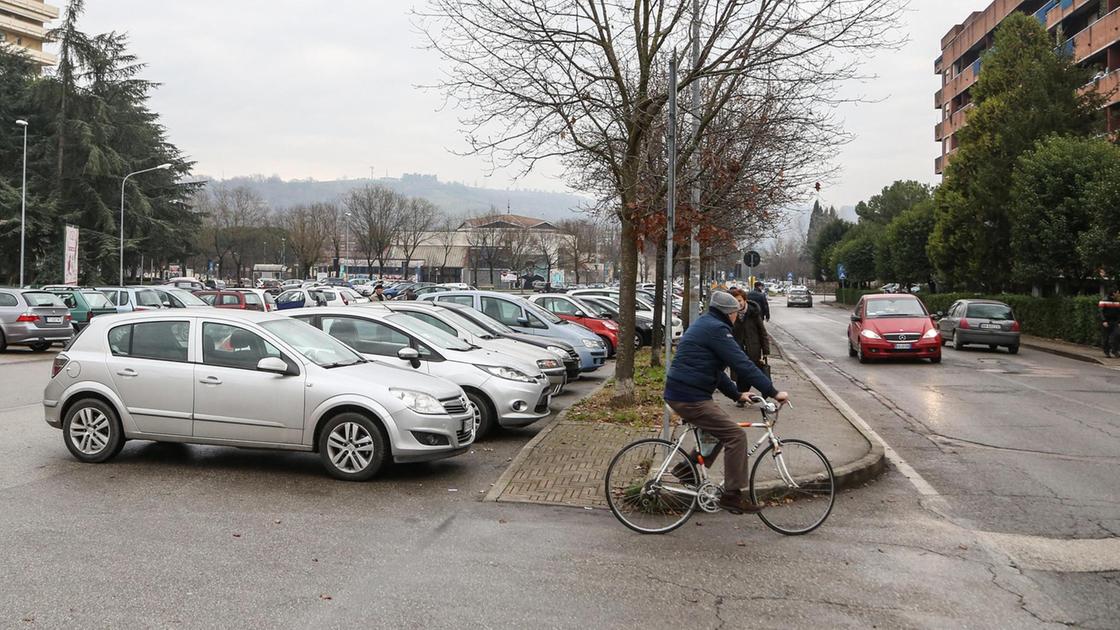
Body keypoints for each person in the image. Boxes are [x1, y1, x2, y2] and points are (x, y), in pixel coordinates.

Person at [664, 290, 789, 514]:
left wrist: (737, 394)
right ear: (728, 313)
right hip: (688, 396)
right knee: (735, 436)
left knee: (721, 430)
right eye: (735, 312)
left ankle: (687, 470)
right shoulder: (717, 330)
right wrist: (772, 391)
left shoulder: (706, 324)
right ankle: (732, 495)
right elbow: (743, 364)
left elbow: (717, 371)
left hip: (686, 392)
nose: (736, 317)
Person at [728, 288, 770, 382]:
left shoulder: (753, 313)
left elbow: (762, 332)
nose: (738, 303)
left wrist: (766, 351)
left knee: (751, 376)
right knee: (739, 379)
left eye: (739, 301)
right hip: (737, 350)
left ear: (744, 300)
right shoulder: (730, 314)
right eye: (735, 301)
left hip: (753, 349)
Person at [1100, 291, 1120, 357]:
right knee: (1105, 338)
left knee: (1116, 335)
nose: (1118, 294)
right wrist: (1104, 321)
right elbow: (1101, 312)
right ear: (1113, 293)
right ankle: (1106, 352)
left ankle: (1115, 351)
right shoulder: (1103, 301)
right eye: (1117, 293)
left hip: (1115, 322)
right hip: (1106, 322)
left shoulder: (1117, 302)